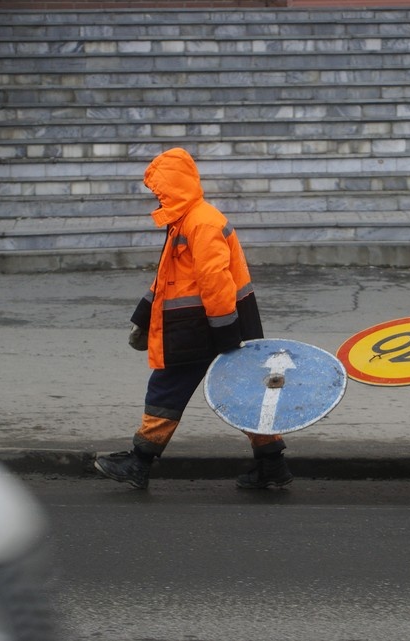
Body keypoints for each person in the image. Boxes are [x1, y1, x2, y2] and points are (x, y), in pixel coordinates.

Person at [94, 147, 292, 490]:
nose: (156, 196)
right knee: (241, 390)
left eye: (159, 189)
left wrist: (225, 333)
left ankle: (139, 462)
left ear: (175, 186)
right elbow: (166, 277)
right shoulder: (187, 220)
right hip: (209, 323)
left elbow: (216, 282)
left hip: (201, 326)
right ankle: (271, 463)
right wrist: (144, 316)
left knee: (167, 388)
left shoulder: (201, 222)